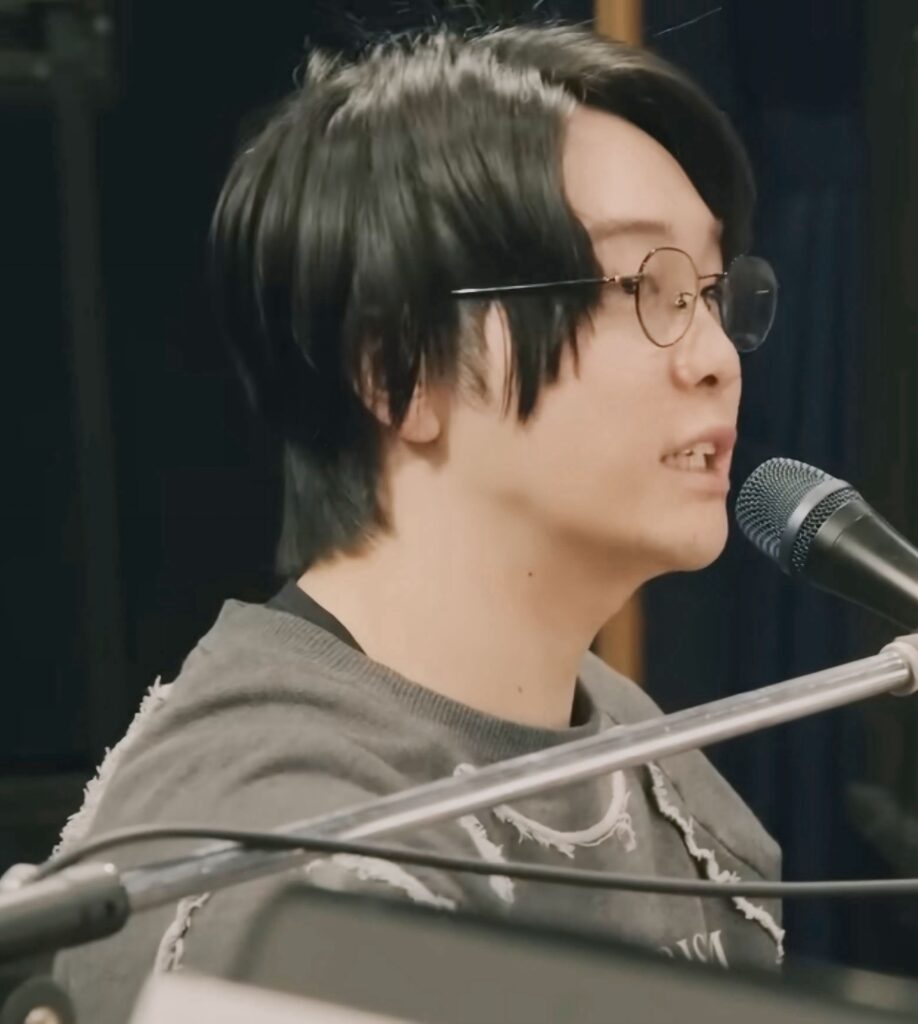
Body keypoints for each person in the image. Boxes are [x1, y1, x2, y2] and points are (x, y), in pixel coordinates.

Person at [55, 22, 782, 1021]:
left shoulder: (659, 768)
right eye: (642, 290)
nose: (716, 359)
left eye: (708, 291)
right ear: (400, 372)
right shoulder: (271, 850)